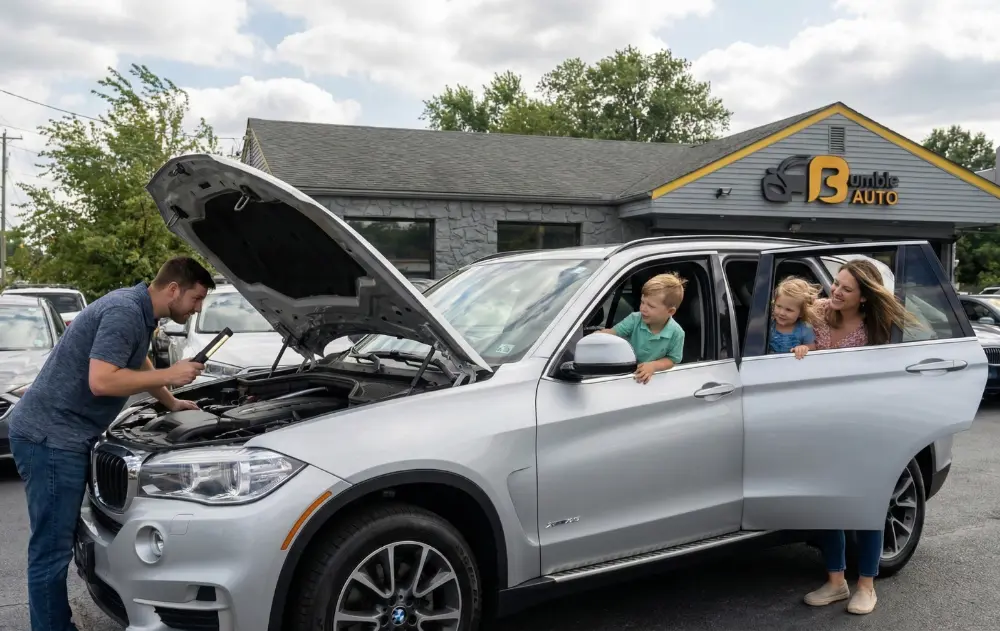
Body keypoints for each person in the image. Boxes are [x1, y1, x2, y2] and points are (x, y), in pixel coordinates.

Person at [7, 256, 216, 631]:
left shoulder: (138, 311)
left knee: (58, 542)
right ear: (173, 290)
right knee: (50, 550)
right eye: (196, 298)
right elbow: (102, 381)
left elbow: (138, 360)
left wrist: (170, 401)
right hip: (50, 437)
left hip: (61, 434)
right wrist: (173, 373)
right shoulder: (124, 311)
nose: (197, 308)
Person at [802, 258, 916, 615]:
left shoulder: (877, 330)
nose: (835, 291)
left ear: (864, 297)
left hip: (862, 424)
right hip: (819, 422)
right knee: (827, 505)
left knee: (867, 505)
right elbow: (781, 319)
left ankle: (867, 586)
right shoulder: (817, 311)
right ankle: (836, 582)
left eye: (846, 289)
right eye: (836, 283)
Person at [599, 272, 686, 383]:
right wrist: (599, 335)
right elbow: (614, 332)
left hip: (653, 381)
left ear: (670, 311)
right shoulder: (635, 319)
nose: (643, 308)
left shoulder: (677, 333)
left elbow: (672, 360)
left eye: (650, 306)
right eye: (642, 302)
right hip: (627, 374)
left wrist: (653, 366)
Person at [768, 276, 818, 359]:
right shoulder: (769, 323)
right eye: (779, 306)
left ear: (801, 313)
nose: (782, 313)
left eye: (789, 310)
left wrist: (804, 348)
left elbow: (812, 347)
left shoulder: (804, 329)